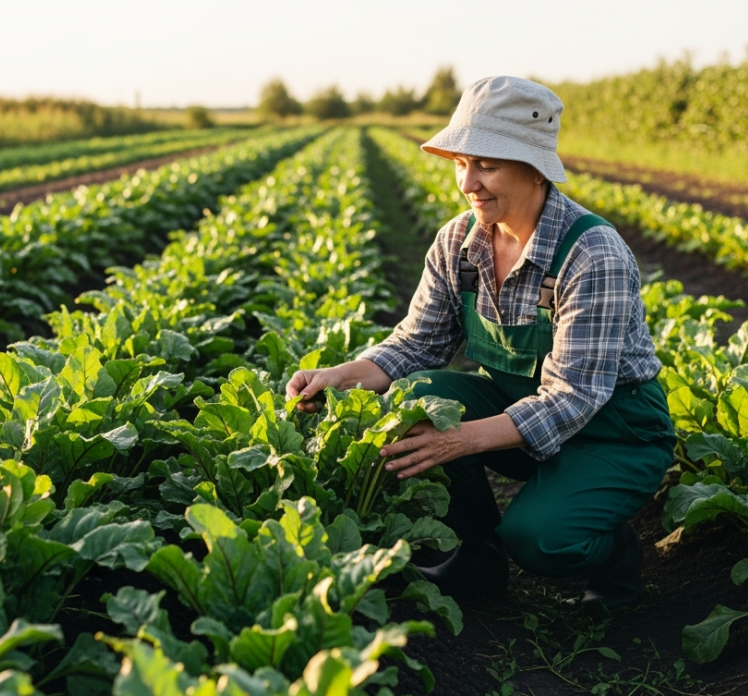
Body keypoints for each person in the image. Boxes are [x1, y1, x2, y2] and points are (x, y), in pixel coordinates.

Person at [285, 76, 674, 609]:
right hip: (524, 413)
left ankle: (614, 557)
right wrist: (340, 376)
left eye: (487, 164)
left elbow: (573, 398)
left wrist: (461, 439)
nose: (469, 182)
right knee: (417, 394)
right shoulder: (458, 241)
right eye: (459, 163)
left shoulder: (592, 253)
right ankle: (477, 561)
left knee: (538, 539)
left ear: (535, 166)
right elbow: (414, 347)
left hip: (614, 432)